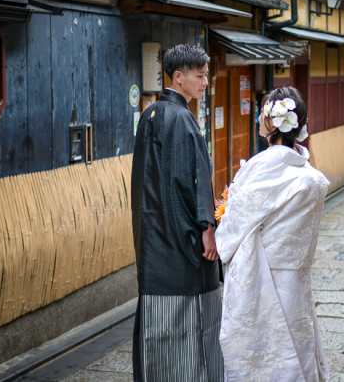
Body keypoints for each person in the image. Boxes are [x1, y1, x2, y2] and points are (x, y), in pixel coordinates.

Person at [215, 86, 330, 382]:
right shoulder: (312, 177)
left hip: (264, 275)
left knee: (264, 355)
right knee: (298, 343)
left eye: (262, 113)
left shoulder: (261, 168)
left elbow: (235, 223)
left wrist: (218, 240)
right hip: (295, 276)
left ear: (270, 122)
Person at [130, 44, 223, 382]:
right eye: (200, 76)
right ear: (179, 77)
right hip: (183, 242)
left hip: (155, 238)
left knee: (159, 321)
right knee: (192, 323)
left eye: (206, 76)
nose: (205, 83)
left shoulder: (150, 114)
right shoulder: (183, 118)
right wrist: (206, 226)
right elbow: (193, 179)